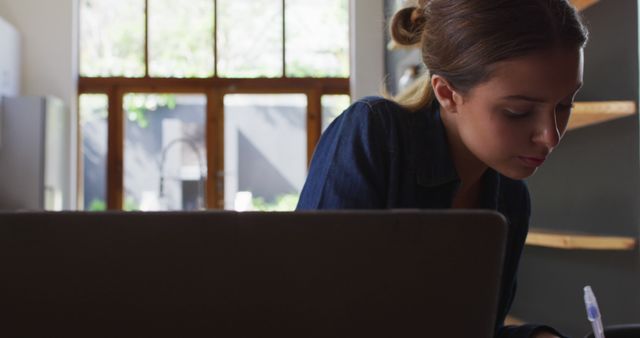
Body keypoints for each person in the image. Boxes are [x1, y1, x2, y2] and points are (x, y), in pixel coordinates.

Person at [296, 0, 587, 337]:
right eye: (518, 112)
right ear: (447, 93)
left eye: (565, 105)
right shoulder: (375, 134)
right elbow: (311, 316)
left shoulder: (510, 197)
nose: (550, 136)